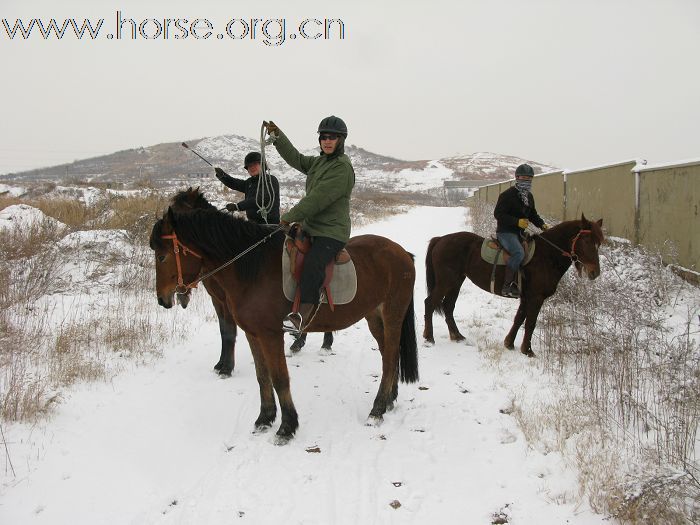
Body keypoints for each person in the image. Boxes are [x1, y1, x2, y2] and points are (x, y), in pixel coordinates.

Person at [263, 116, 355, 333]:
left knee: (313, 264)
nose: (327, 141)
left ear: (341, 140)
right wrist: (277, 137)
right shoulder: (319, 162)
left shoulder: (342, 168)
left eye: (332, 137)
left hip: (332, 232)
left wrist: (288, 216)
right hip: (311, 227)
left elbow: (318, 199)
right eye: (323, 137)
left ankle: (301, 314)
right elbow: (295, 158)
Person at [493, 163, 548, 298]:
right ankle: (507, 286)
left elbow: (532, 214)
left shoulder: (529, 196)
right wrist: (516, 221)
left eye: (529, 178)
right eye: (524, 178)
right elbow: (498, 214)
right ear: (517, 177)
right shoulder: (507, 195)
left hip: (520, 233)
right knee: (518, 253)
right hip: (505, 232)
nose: (527, 181)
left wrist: (542, 225)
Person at [214, 151, 280, 224]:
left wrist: (238, 206)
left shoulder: (271, 180)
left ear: (262, 165)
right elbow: (234, 183)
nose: (252, 168)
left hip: (270, 227)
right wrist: (222, 175)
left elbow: (260, 199)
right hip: (253, 226)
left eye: (254, 164)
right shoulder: (250, 183)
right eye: (249, 166)